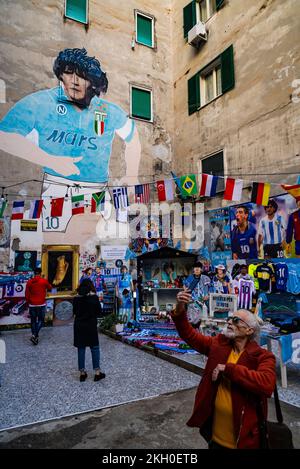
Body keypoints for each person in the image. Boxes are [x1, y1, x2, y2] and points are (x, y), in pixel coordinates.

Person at [0, 47, 141, 236]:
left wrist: (132, 176)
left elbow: (133, 138)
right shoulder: (42, 102)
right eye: (68, 73)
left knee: (99, 243)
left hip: (96, 191)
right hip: (57, 189)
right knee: (54, 242)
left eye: (81, 75)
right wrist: (52, 161)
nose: (74, 80)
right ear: (60, 76)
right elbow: (5, 135)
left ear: (92, 81)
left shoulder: (107, 110)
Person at [172, 291, 276, 449]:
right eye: (229, 319)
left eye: (236, 320)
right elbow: (189, 335)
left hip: (244, 441)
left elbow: (266, 384)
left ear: (249, 331)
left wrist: (228, 369)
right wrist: (180, 307)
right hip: (214, 438)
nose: (229, 322)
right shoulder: (218, 345)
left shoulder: (263, 356)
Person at [73, 279, 105, 382]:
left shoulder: (76, 298)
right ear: (91, 287)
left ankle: (82, 373)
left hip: (79, 325)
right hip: (90, 325)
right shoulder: (94, 298)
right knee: (94, 348)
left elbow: (74, 312)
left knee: (81, 348)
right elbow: (99, 312)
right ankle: (97, 373)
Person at [25, 267, 52, 345]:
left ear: (34, 273)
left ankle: (34, 336)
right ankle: (35, 335)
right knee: (41, 320)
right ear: (40, 273)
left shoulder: (29, 282)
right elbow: (50, 287)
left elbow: (26, 295)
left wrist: (29, 302)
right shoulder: (43, 281)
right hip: (41, 304)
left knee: (33, 321)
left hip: (32, 305)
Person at [183, 261, 211, 327]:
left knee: (203, 321)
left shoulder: (206, 278)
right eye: (195, 269)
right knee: (191, 320)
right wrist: (186, 293)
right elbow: (184, 285)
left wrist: (208, 295)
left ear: (201, 269)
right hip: (192, 302)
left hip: (204, 302)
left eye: (198, 269)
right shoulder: (190, 278)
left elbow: (212, 288)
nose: (197, 270)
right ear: (193, 269)